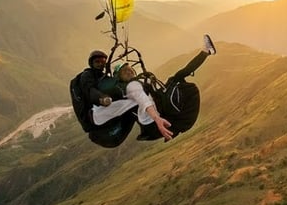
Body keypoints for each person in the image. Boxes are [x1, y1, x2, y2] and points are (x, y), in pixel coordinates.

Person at [78, 35, 216, 147]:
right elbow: (142, 99)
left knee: (176, 77)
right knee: (176, 79)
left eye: (130, 69)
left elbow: (143, 97)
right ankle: (205, 52)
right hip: (158, 121)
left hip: (162, 120)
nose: (129, 72)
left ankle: (206, 52)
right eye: (125, 72)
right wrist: (157, 118)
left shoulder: (132, 85)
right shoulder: (129, 87)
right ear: (119, 77)